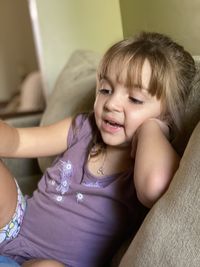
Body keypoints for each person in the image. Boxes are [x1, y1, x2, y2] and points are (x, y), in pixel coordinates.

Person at [0, 32, 196, 267]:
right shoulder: (83, 127)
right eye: (105, 90)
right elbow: (19, 141)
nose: (111, 104)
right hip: (14, 226)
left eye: (134, 99)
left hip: (53, 262)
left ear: (166, 115)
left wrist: (152, 128)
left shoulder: (149, 160)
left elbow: (153, 188)